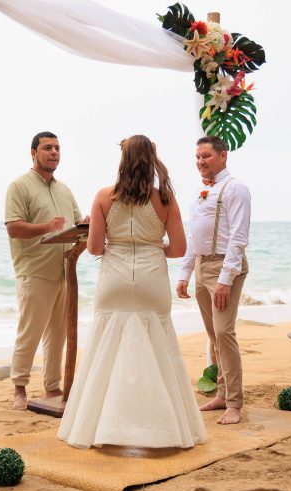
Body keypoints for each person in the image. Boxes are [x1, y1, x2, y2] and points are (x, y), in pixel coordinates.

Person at [58, 134, 207, 449]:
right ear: (151, 160)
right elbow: (179, 248)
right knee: (160, 351)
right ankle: (164, 426)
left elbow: (96, 247)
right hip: (152, 279)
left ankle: (100, 427)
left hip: (115, 280)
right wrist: (153, 248)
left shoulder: (103, 197)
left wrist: (120, 243)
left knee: (106, 351)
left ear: (122, 161)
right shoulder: (165, 199)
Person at [4, 131, 86, 410]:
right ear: (33, 153)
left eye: (57, 149)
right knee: (30, 332)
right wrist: (46, 227)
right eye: (47, 148)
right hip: (35, 270)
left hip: (64, 270)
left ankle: (53, 386)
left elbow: (77, 222)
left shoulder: (64, 189)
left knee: (58, 334)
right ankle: (19, 388)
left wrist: (90, 223)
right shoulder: (19, 186)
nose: (54, 153)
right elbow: (13, 227)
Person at [176, 136, 251, 425]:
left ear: (223, 156)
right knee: (212, 334)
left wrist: (225, 279)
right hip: (201, 265)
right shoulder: (199, 193)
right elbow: (194, 236)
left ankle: (235, 403)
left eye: (206, 156)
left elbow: (238, 238)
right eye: (197, 157)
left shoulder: (236, 189)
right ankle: (221, 393)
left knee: (224, 333)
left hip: (223, 267)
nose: (200, 162)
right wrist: (184, 273)